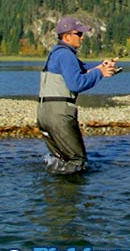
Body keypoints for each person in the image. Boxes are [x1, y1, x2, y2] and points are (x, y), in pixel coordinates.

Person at [37, 16, 117, 174]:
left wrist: (101, 66)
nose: (82, 37)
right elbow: (76, 83)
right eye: (78, 34)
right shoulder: (66, 55)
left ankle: (54, 193)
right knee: (77, 161)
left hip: (43, 114)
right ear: (67, 36)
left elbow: (82, 68)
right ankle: (72, 197)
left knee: (61, 159)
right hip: (59, 114)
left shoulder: (57, 53)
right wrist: (100, 73)